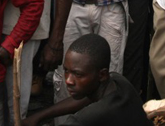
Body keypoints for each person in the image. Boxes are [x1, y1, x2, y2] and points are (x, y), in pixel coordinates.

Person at [21, 34, 151, 126]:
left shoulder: (86, 119)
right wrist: (38, 117)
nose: (68, 80)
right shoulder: (119, 82)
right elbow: (84, 99)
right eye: (66, 71)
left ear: (102, 74)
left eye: (78, 74)